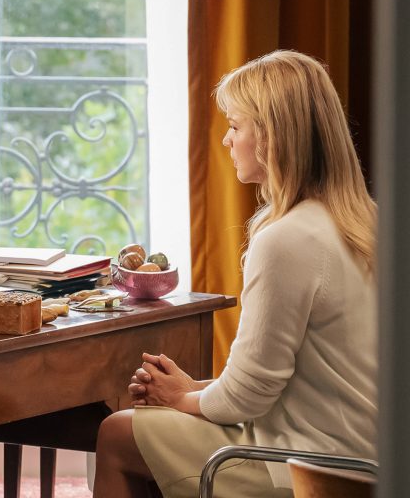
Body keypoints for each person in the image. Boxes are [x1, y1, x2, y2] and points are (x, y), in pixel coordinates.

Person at [93, 50, 378, 497]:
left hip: (311, 465)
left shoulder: (285, 240)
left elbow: (250, 396)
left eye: (235, 126)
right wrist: (195, 389)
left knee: (117, 434)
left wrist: (178, 399)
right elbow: (296, 377)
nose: (227, 141)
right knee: (150, 428)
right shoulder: (365, 222)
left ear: (271, 136)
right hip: (372, 460)